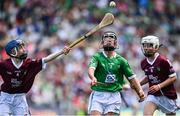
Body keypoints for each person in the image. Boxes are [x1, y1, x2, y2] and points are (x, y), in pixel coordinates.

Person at [0, 38, 71, 115]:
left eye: (23, 47)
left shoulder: (29, 64)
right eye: (20, 48)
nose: (24, 49)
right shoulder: (4, 64)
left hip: (20, 99)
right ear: (13, 52)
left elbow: (46, 59)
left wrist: (61, 52)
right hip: (5, 98)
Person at [87, 31, 145, 115]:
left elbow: (132, 78)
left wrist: (139, 90)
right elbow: (91, 69)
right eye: (106, 39)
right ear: (102, 43)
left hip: (114, 96)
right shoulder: (97, 56)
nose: (109, 40)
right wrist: (93, 77)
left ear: (115, 44)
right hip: (98, 94)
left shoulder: (121, 61)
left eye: (111, 39)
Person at [140, 35, 179, 116]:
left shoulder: (163, 60)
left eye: (149, 45)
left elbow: (173, 77)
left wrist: (159, 86)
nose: (146, 48)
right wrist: (138, 84)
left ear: (156, 46)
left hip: (168, 95)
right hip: (153, 95)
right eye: (144, 45)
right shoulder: (143, 62)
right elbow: (149, 76)